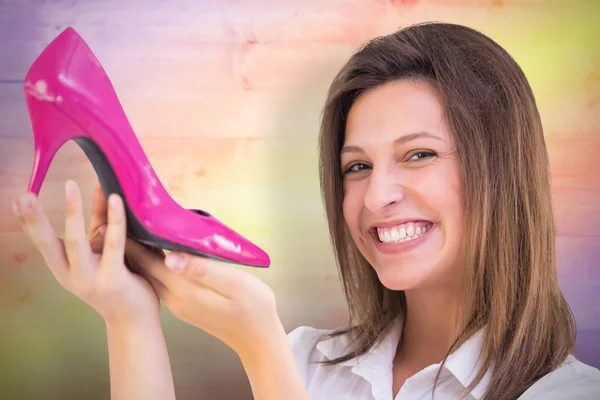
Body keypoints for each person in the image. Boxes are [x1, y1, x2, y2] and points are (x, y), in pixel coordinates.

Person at [12, 22, 600, 400]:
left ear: (503, 169)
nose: (375, 198)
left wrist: (260, 352)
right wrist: (130, 319)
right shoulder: (311, 361)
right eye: (357, 166)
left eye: (419, 155)